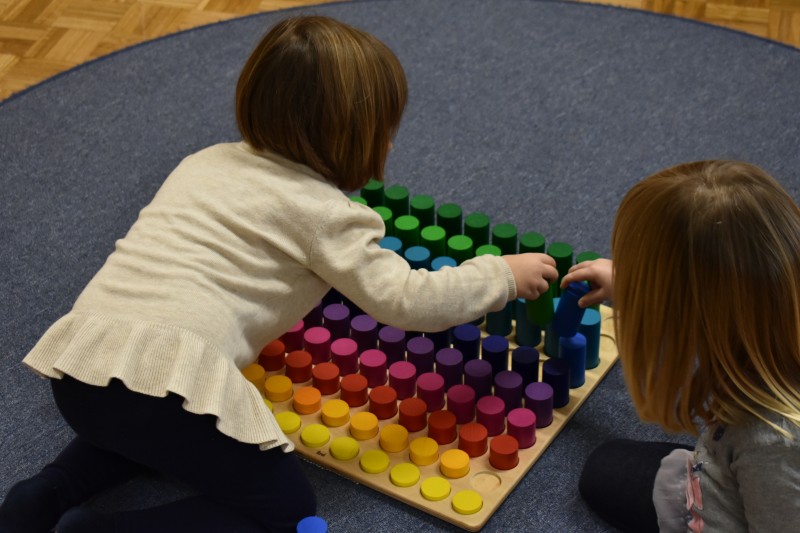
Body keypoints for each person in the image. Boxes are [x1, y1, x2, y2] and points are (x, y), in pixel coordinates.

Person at [0, 15, 558, 533]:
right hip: (169, 389)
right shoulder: (326, 215)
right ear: (350, 136)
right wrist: (502, 274)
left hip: (84, 366)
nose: (391, 141)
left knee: (132, 423)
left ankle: (46, 493)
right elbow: (408, 300)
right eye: (386, 129)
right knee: (284, 505)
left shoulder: (203, 160)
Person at [561, 160, 800, 532]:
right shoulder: (765, 324)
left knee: (603, 474)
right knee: (606, 467)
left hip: (744, 506)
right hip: (738, 470)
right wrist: (636, 288)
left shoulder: (771, 443)